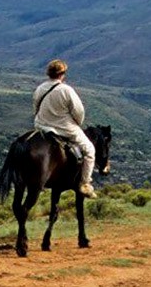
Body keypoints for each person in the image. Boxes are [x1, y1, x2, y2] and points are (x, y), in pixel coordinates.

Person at [32, 59, 97, 198]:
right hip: (63, 127)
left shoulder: (40, 88)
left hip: (42, 125)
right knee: (89, 150)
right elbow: (79, 112)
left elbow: (36, 108)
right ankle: (85, 183)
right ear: (62, 74)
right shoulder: (66, 90)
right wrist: (76, 123)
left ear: (49, 73)